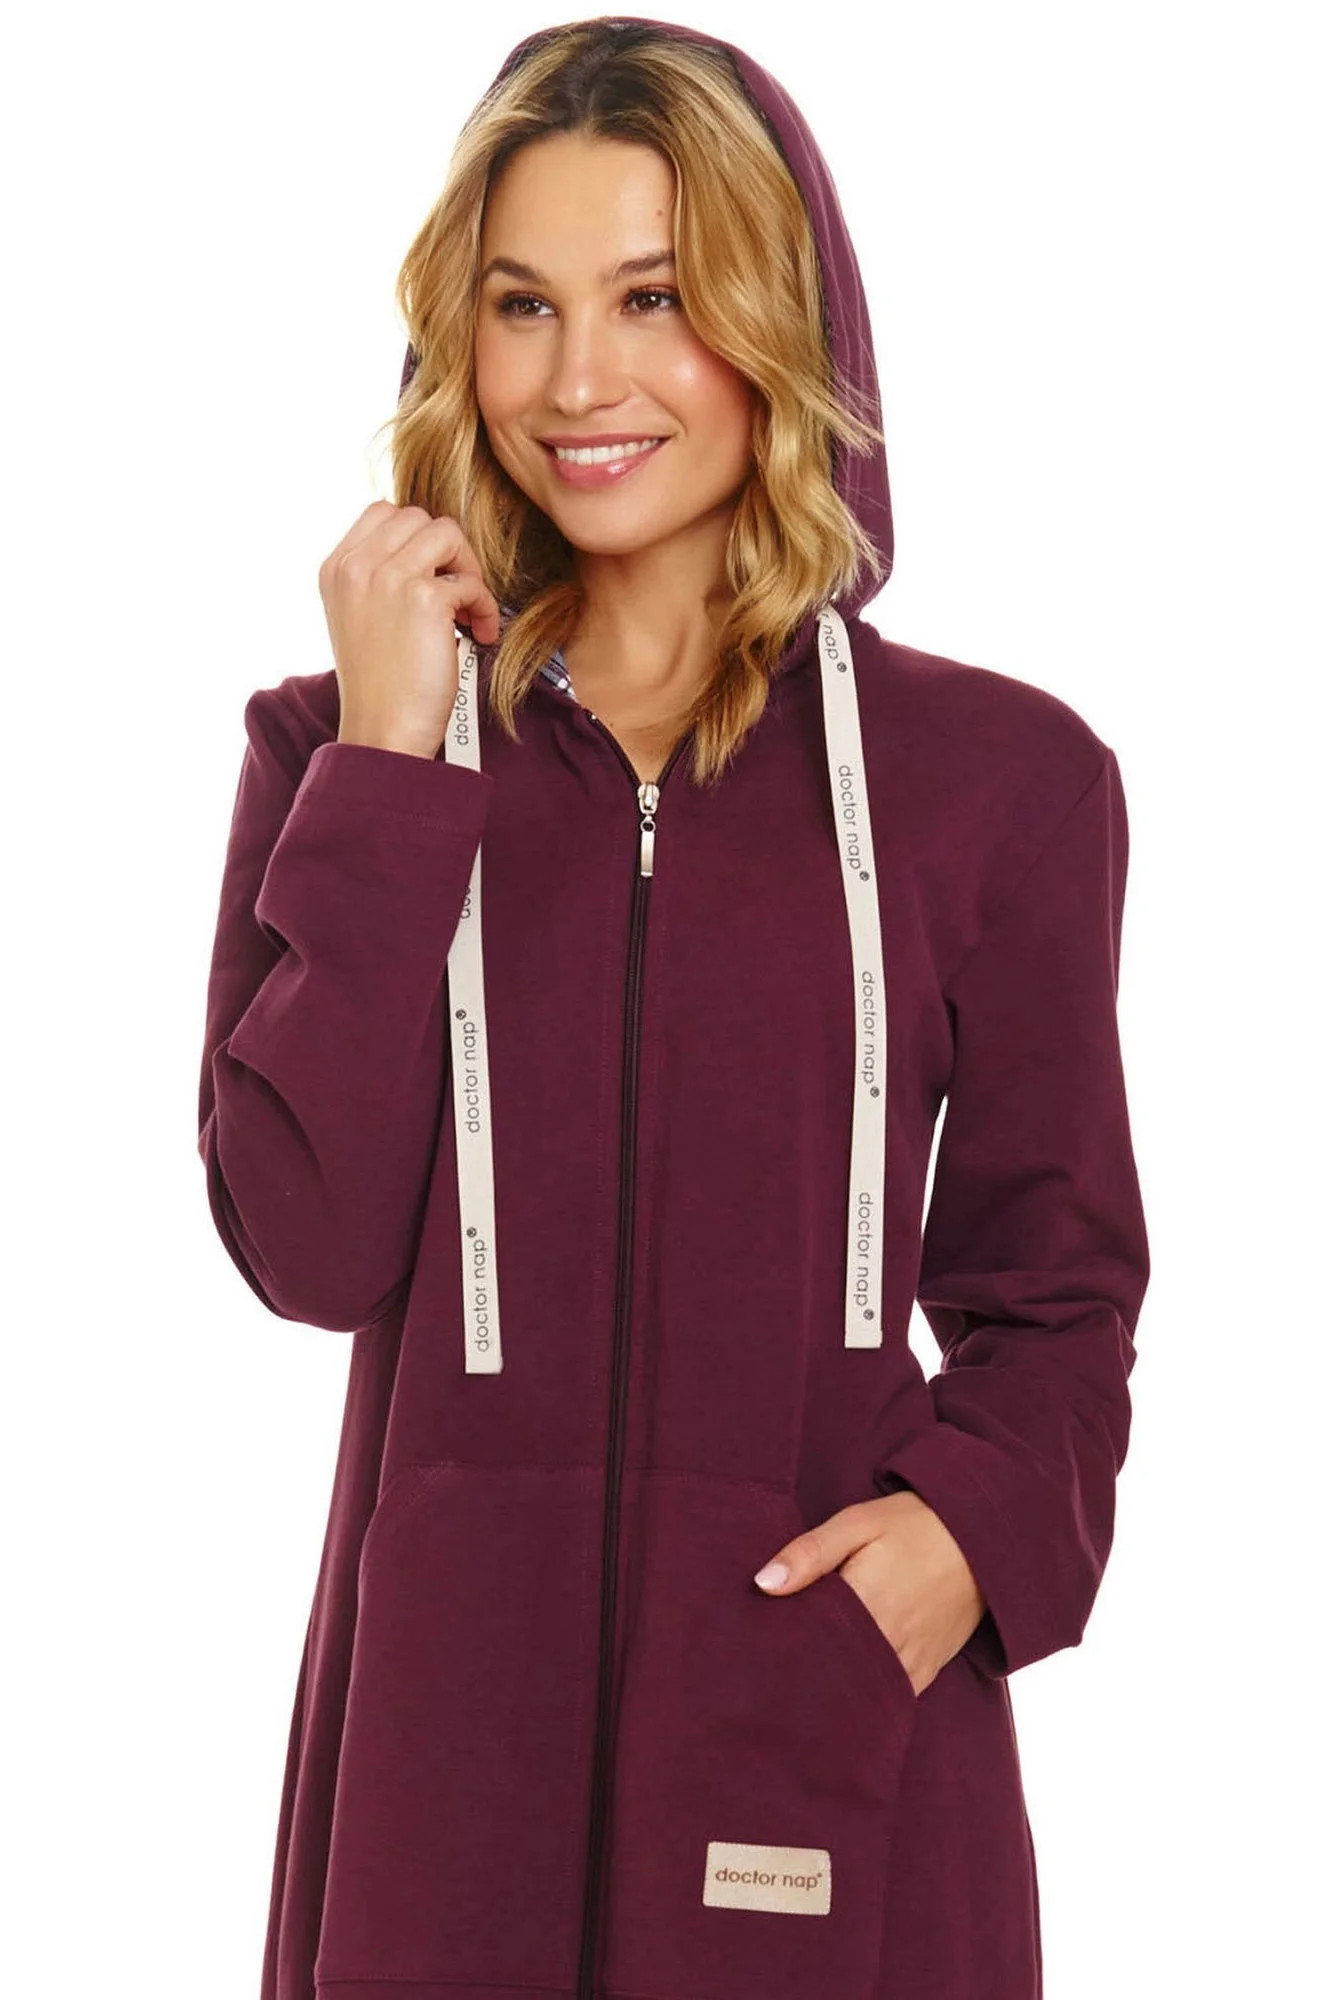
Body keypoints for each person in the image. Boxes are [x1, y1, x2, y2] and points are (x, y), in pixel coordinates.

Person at [196, 17, 1151, 2000]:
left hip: (822, 1725)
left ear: (777, 321)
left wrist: (961, 1542)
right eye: (520, 305)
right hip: (441, 1770)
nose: (579, 381)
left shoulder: (996, 784)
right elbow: (304, 1246)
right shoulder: (340, 755)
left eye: (653, 297)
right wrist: (389, 764)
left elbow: (1056, 1288)